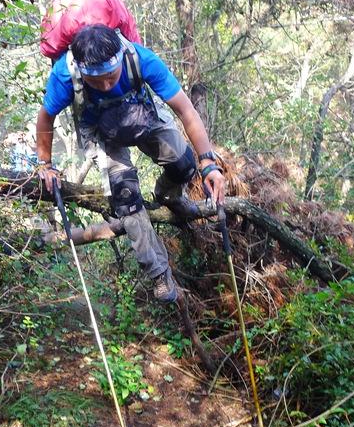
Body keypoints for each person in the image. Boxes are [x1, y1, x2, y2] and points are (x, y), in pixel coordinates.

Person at [36, 24, 225, 303]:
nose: (105, 86)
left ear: (120, 58)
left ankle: (168, 195)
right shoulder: (65, 75)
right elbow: (45, 118)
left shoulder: (141, 59)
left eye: (110, 76)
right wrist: (45, 164)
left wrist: (208, 163)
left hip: (141, 115)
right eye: (95, 81)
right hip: (101, 132)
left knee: (185, 164)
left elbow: (185, 109)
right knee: (125, 197)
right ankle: (159, 272)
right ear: (82, 71)